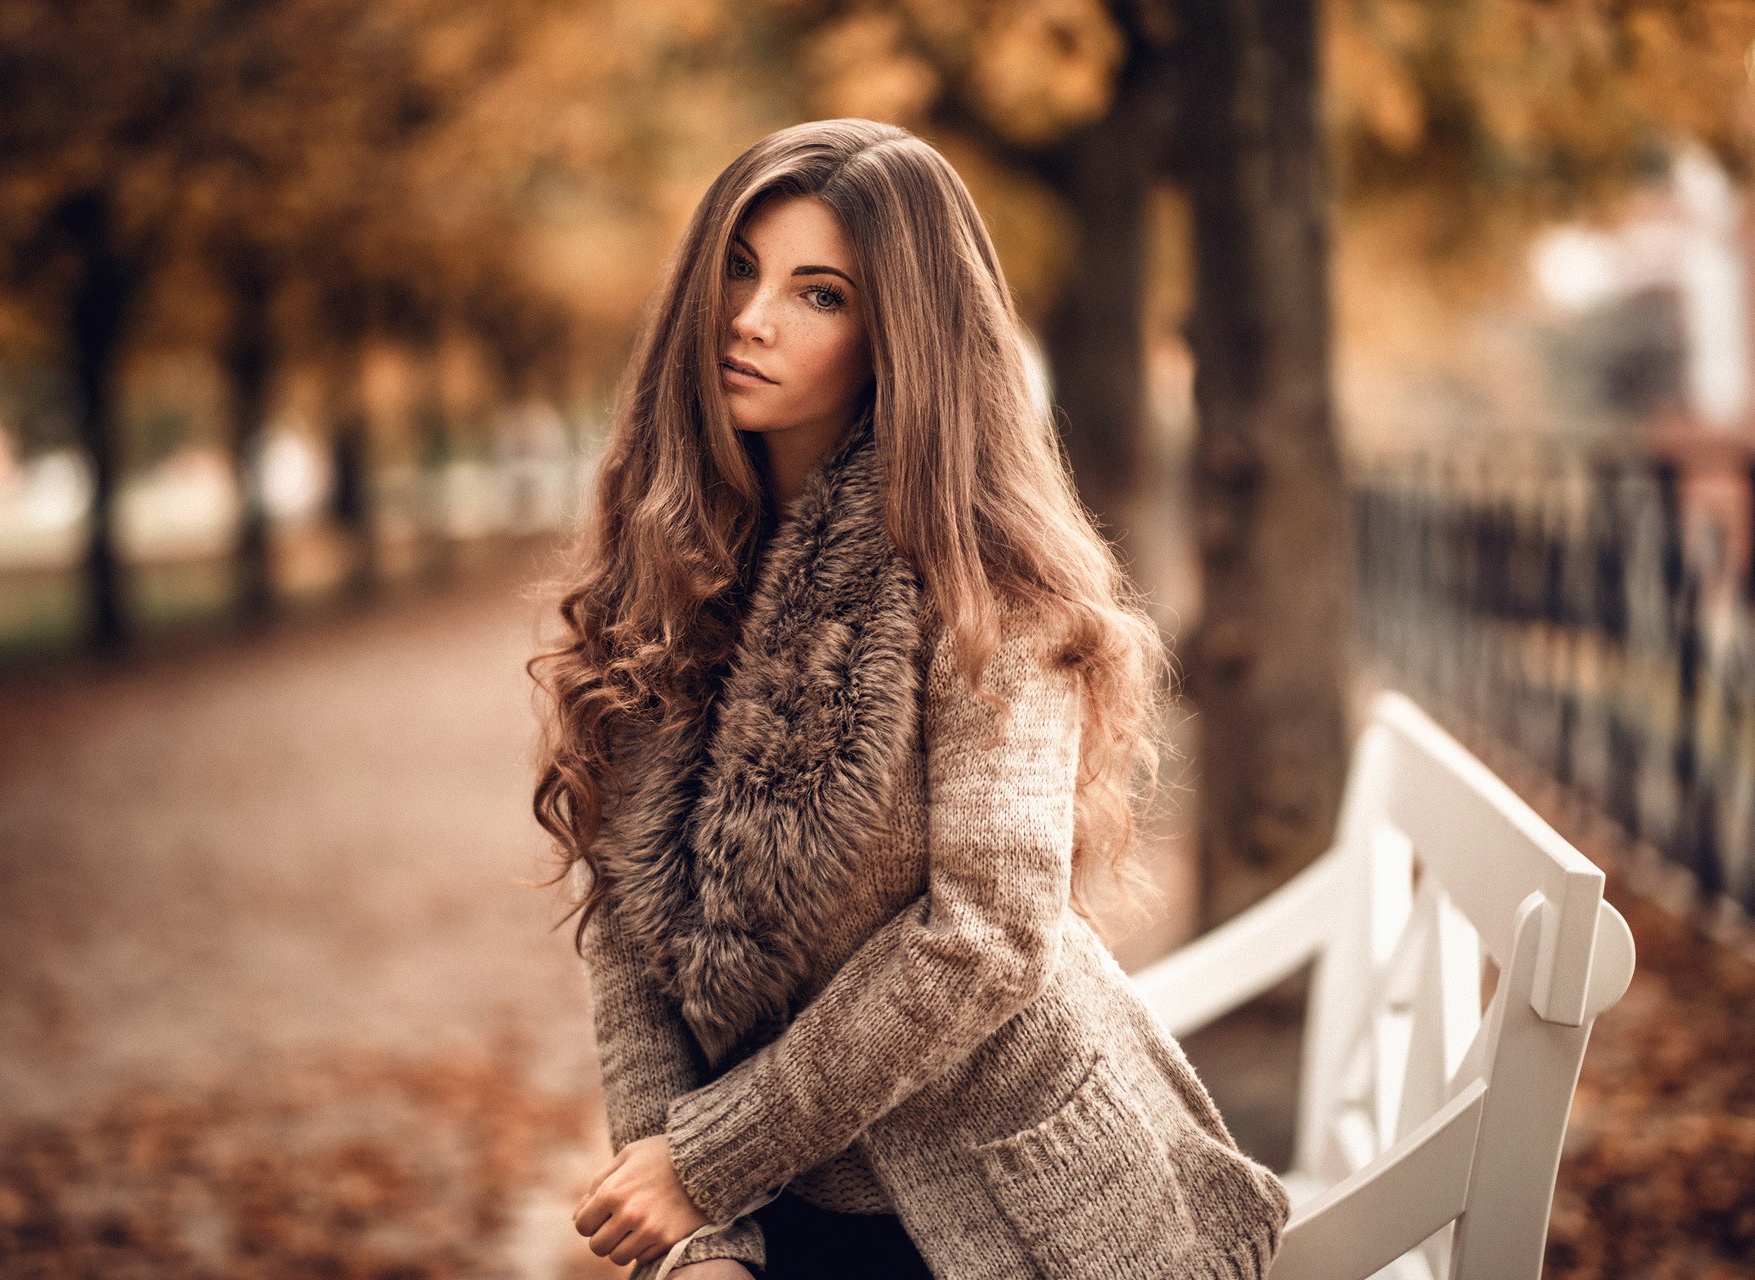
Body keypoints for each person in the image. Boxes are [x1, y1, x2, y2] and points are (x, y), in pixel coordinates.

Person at [528, 118, 1291, 1280]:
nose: (751, 317)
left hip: (1007, 1203)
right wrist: (702, 1241)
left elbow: (987, 932)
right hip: (776, 1191)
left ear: (902, 334)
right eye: (738, 267)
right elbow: (630, 933)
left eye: (818, 293)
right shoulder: (671, 560)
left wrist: (707, 1161)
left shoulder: (986, 579)